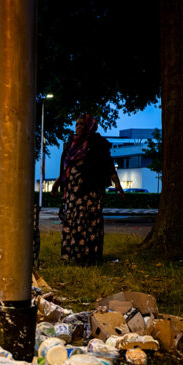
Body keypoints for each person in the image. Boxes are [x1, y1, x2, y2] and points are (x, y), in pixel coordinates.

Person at [51, 114, 125, 265]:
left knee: (88, 222)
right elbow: (65, 168)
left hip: (90, 191)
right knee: (72, 220)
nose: (78, 127)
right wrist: (58, 183)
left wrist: (117, 184)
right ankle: (71, 255)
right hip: (73, 191)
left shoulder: (97, 144)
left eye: (82, 125)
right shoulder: (71, 144)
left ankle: (88, 256)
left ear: (89, 126)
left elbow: (108, 165)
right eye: (77, 124)